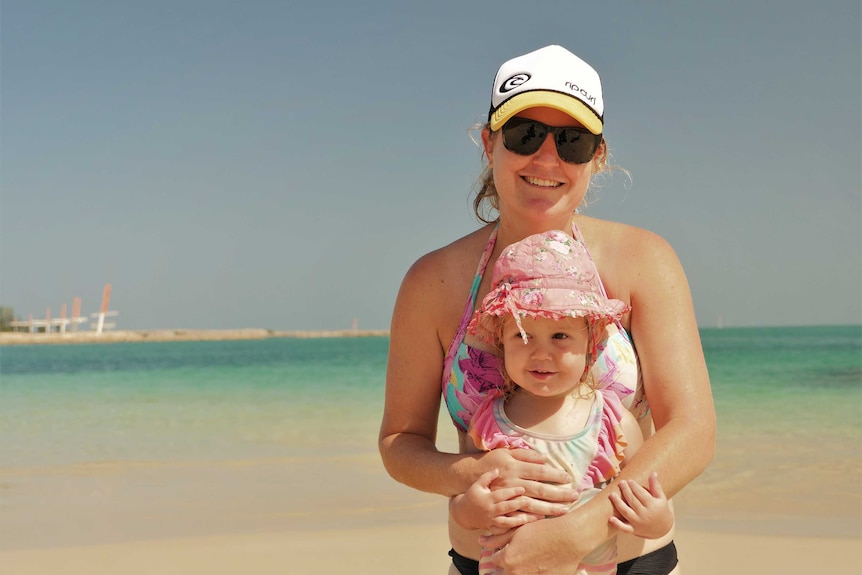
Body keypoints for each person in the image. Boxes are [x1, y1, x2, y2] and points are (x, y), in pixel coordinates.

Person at [379, 44, 715, 575]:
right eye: (525, 134)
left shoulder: (643, 260)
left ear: (597, 156)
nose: (546, 157)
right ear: (490, 143)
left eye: (573, 141)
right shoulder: (433, 281)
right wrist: (470, 473)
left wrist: (579, 531)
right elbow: (400, 443)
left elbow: (692, 429)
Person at [449, 229, 674, 575]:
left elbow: (638, 494)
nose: (541, 353)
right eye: (522, 336)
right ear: (501, 341)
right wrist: (472, 508)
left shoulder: (612, 421)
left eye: (560, 336)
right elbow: (462, 503)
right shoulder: (487, 422)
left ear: (591, 340)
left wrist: (657, 519)